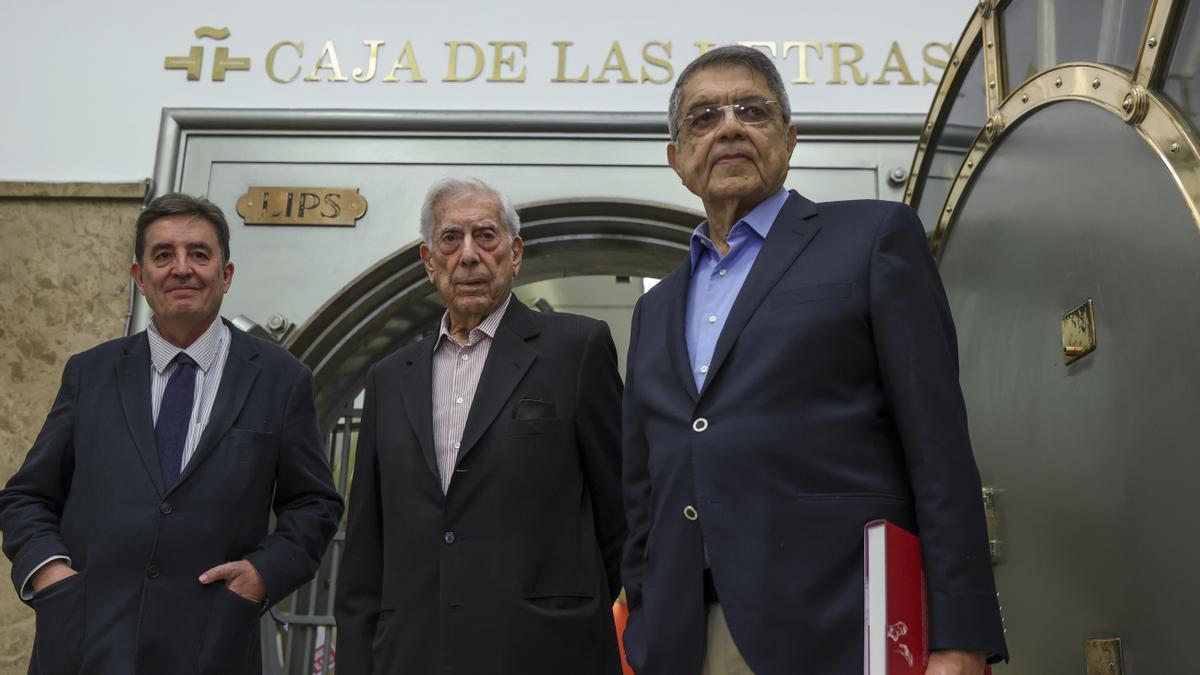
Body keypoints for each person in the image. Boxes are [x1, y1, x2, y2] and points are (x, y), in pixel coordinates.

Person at [620, 45, 1008, 675]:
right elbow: (642, 487)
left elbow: (937, 447)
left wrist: (959, 633)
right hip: (685, 636)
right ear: (676, 158)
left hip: (844, 629)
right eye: (703, 116)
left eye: (753, 109)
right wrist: (641, 616)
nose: (729, 126)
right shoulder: (655, 307)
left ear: (789, 138)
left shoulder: (874, 238)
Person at [0, 193, 344, 675]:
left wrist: (262, 574)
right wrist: (50, 574)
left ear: (225, 275)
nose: (182, 268)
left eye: (199, 254)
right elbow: (26, 496)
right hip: (84, 644)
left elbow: (315, 504)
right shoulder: (91, 373)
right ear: (140, 278)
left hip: (211, 645)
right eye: (163, 255)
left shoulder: (281, 379)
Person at [335, 177, 626, 674]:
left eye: (485, 236)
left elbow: (622, 516)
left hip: (544, 653)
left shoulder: (576, 350)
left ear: (515, 254)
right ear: (430, 263)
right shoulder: (389, 379)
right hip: (413, 655)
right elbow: (367, 550)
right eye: (450, 239)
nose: (468, 255)